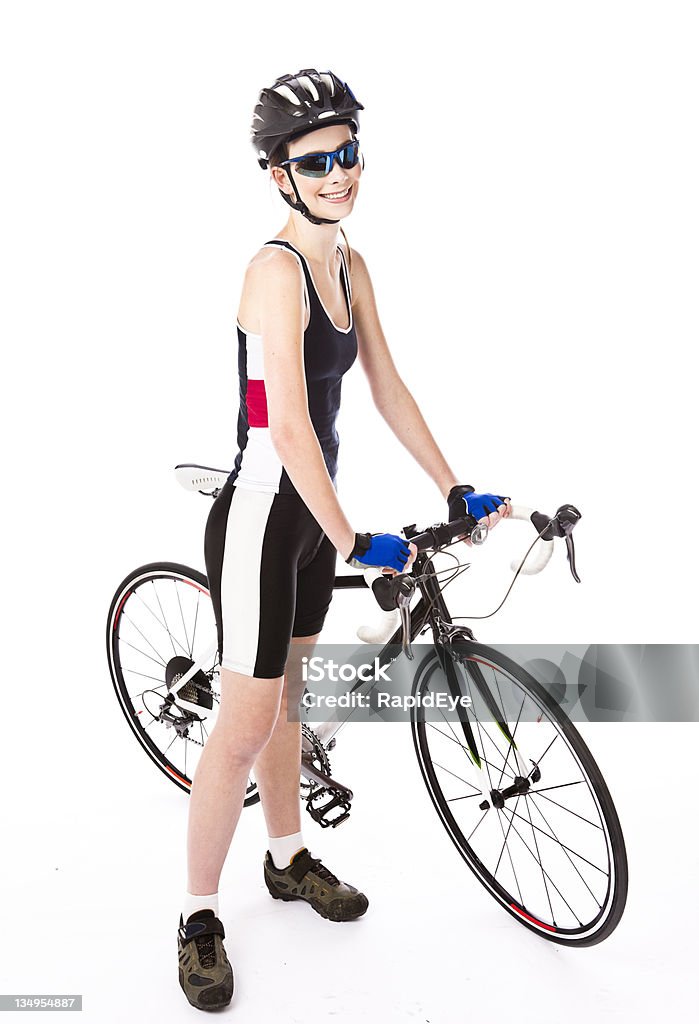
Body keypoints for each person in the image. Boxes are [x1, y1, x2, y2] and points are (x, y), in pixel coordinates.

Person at [176, 68, 511, 1011]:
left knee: (288, 704)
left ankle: (287, 859)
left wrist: (453, 482)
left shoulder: (349, 264)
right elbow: (286, 427)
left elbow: (385, 386)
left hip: (316, 518)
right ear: (277, 174)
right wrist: (356, 537)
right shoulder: (271, 271)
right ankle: (198, 913)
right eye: (316, 160)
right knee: (240, 730)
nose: (339, 173)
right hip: (261, 519)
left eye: (348, 152)